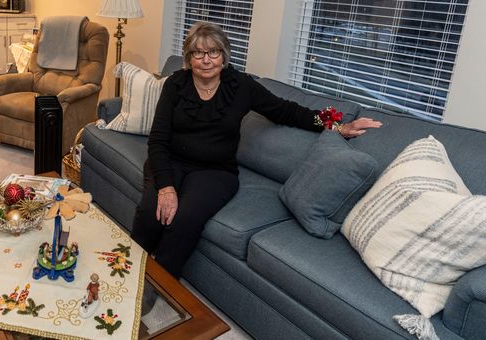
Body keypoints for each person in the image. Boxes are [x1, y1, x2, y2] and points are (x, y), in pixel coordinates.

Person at [131, 22, 382, 281]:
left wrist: (338, 124)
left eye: (214, 52)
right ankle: (127, 275)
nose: (206, 60)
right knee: (151, 214)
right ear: (189, 58)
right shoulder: (175, 84)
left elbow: (289, 111)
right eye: (198, 53)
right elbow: (158, 138)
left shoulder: (241, 85)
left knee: (184, 221)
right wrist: (166, 188)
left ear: (224, 55)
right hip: (169, 161)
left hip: (215, 172)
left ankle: (158, 288)